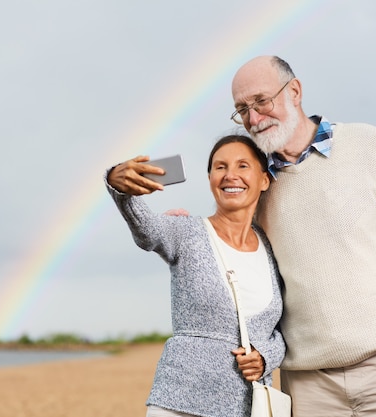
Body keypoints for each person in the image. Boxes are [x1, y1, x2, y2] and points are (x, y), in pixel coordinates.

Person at [114, 56, 376, 416]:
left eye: (262, 101)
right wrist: (177, 223)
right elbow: (227, 249)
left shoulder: (368, 145)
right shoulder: (260, 186)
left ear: (294, 91)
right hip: (310, 387)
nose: (253, 117)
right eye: (242, 109)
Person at [105, 135, 285, 417]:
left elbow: (278, 332)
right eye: (220, 167)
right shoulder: (186, 231)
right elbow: (146, 230)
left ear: (264, 180)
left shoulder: (272, 246)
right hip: (181, 402)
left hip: (247, 407)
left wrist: (265, 357)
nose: (230, 175)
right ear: (211, 178)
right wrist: (118, 183)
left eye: (242, 166)